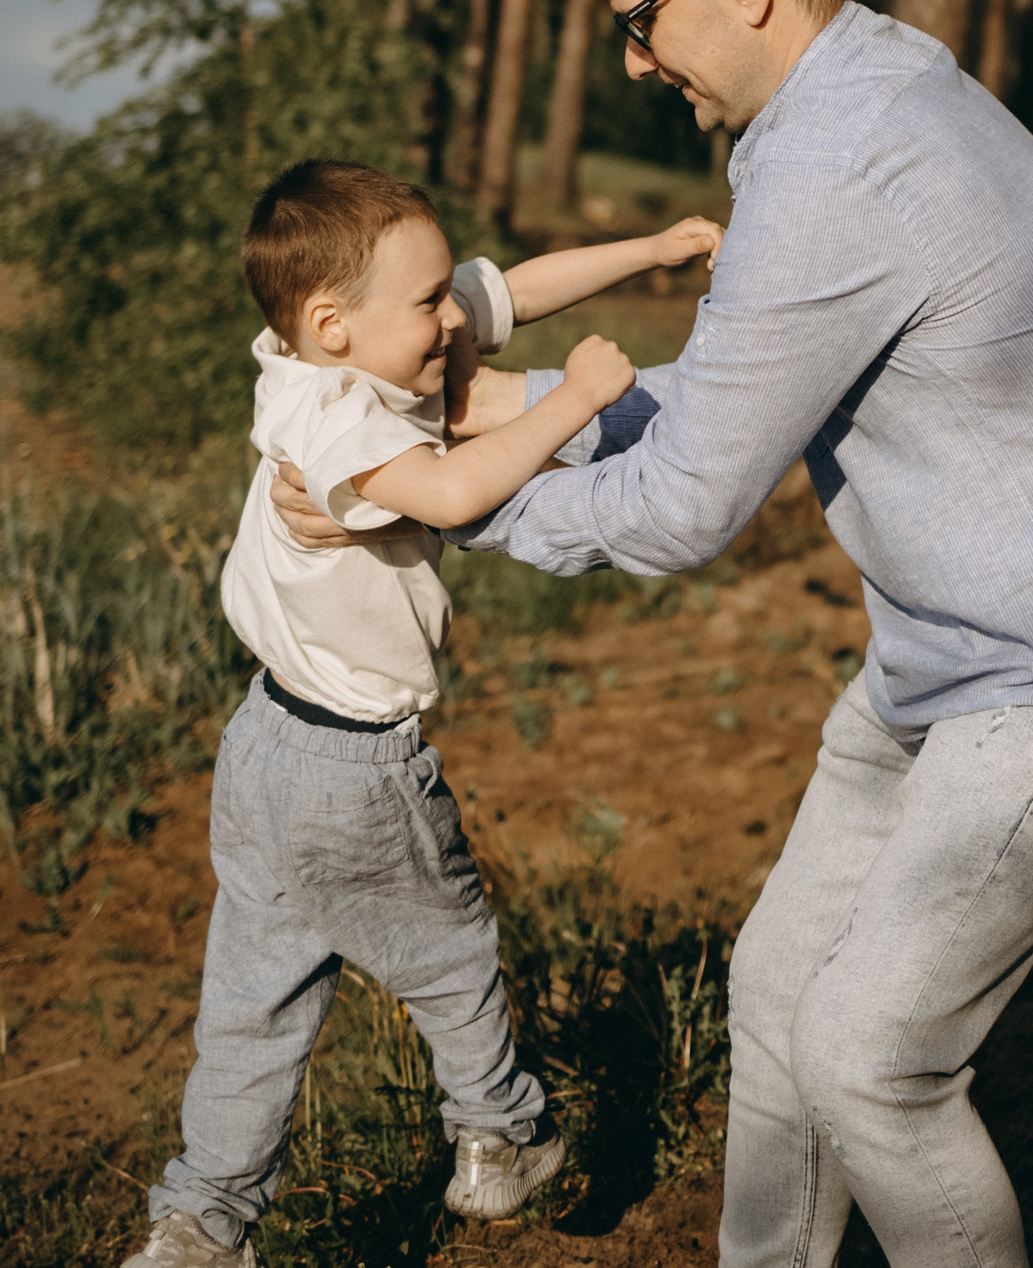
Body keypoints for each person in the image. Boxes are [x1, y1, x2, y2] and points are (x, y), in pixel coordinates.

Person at [271, 0, 1033, 1267]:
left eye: (640, 16)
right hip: (954, 645)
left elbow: (679, 505)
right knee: (781, 980)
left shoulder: (834, 170)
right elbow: (734, 394)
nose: (631, 58)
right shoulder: (857, 101)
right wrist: (502, 415)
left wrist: (444, 493)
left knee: (872, 1053)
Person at [132, 158, 721, 1268]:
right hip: (353, 767)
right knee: (452, 951)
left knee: (252, 1011)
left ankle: (199, 1224)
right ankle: (500, 1138)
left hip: (263, 746)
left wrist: (653, 249)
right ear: (332, 323)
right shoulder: (337, 423)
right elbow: (455, 493)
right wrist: (578, 399)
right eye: (428, 303)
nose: (455, 318)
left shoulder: (334, 357)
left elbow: (516, 291)